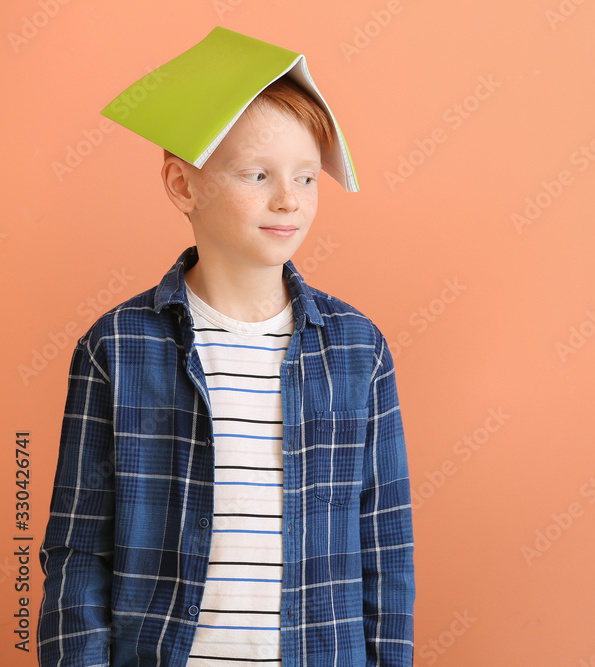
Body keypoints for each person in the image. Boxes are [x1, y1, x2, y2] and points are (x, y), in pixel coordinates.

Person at [38, 27, 414, 666]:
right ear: (184, 186)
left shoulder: (359, 352)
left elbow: (384, 546)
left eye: (305, 177)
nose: (289, 199)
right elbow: (78, 546)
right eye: (257, 174)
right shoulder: (118, 347)